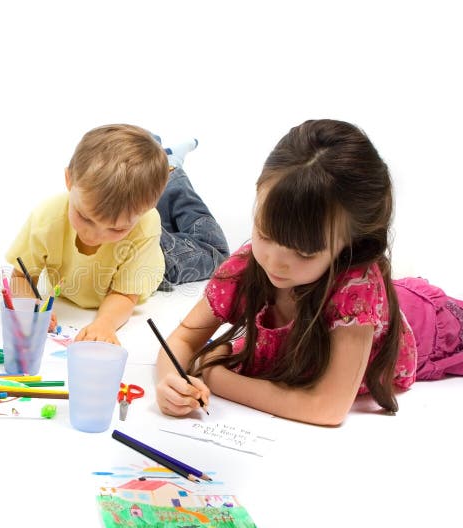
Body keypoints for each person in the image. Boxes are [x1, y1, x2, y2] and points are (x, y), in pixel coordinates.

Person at [155, 119, 463, 426]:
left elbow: (327, 409)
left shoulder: (355, 294)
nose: (275, 262)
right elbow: (182, 340)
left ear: (351, 246)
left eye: (303, 253)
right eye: (265, 234)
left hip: (434, 324)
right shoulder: (248, 265)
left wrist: (215, 376)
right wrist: (171, 380)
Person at [5, 124, 228, 344]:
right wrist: (30, 305)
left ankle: (172, 171)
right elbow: (21, 276)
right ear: (69, 179)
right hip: (131, 233)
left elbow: (125, 294)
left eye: (116, 228)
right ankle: (159, 161)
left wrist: (104, 324)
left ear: (146, 210)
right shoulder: (47, 217)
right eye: (85, 217)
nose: (93, 235)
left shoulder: (144, 226)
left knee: (214, 250)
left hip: (158, 254)